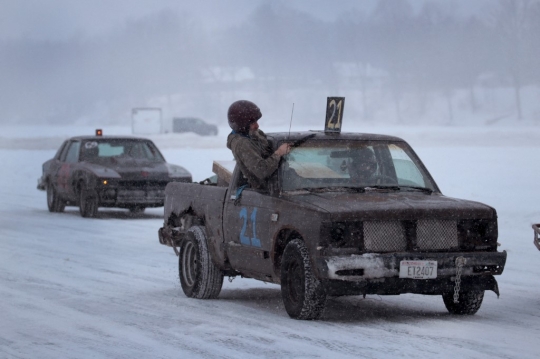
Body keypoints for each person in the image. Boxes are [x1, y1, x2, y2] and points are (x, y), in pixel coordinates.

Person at [226, 100, 291, 189]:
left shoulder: (252, 134)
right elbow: (262, 171)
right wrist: (279, 152)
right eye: (253, 123)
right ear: (242, 125)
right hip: (267, 190)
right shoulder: (242, 144)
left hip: (280, 182)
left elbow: (267, 147)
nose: (257, 126)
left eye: (256, 121)